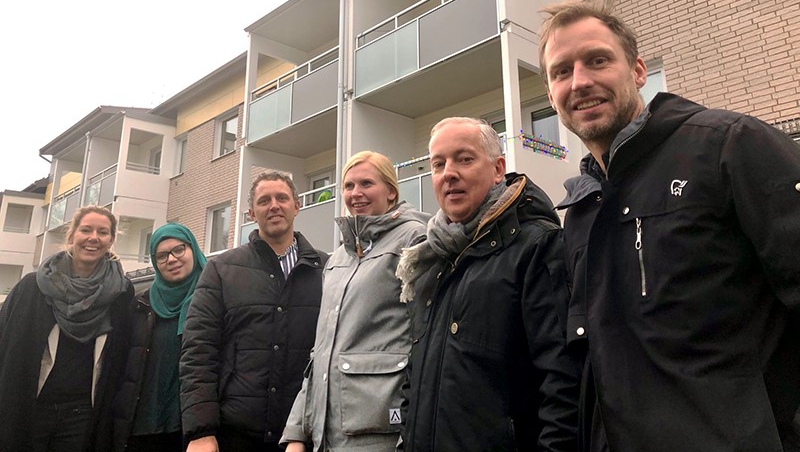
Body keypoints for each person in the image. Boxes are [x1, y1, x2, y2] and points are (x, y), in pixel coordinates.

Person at [538, 0, 800, 451]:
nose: (579, 81)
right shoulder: (580, 210)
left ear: (638, 70)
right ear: (550, 95)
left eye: (597, 60)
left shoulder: (730, 147)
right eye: (562, 71)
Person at [396, 117, 580, 451]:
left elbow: (564, 384)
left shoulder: (537, 246)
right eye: (438, 164)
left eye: (464, 159)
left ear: (498, 169)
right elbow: (416, 377)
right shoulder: (432, 259)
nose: (448, 173)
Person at [281, 151, 430, 452]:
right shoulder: (338, 258)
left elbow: (426, 340)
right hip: (326, 434)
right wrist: (297, 430)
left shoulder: (414, 240)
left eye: (366, 183)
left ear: (391, 191)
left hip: (382, 432)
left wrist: (410, 431)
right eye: (348, 186)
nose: (355, 193)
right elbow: (321, 351)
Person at [180, 170, 327, 452]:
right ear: (250, 213)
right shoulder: (221, 270)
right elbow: (198, 351)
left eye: (282, 198)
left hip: (303, 433)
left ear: (297, 206)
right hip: (236, 432)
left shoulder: (327, 269)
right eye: (264, 200)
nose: (274, 205)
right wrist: (201, 430)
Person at [0, 205, 133, 452]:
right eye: (86, 230)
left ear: (111, 240)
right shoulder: (33, 288)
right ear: (71, 235)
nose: (94, 238)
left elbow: (121, 358)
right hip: (31, 407)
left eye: (103, 232)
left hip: (82, 413)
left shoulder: (121, 294)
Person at [113, 222, 207, 451]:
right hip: (143, 426)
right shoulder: (139, 304)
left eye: (179, 250)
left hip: (193, 429)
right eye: (162, 255)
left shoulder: (213, 299)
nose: (172, 259)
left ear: (193, 249)